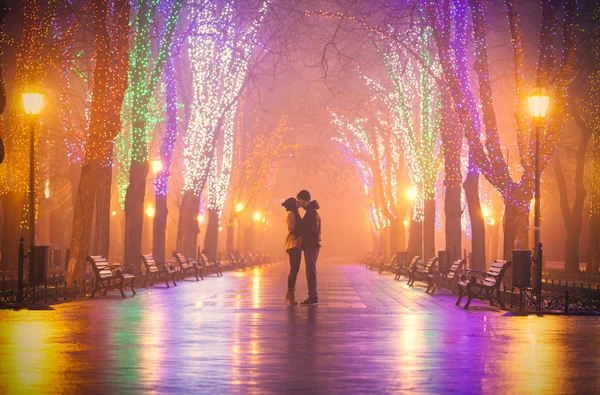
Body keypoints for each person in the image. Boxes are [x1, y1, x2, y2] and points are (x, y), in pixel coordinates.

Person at [296, 189, 321, 305]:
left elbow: (312, 230)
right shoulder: (311, 211)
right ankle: (312, 295)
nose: (298, 202)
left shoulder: (311, 213)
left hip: (311, 245)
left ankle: (313, 296)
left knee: (310, 271)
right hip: (311, 244)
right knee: (310, 270)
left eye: (299, 199)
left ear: (304, 200)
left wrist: (300, 231)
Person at [282, 197, 302, 306]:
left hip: (296, 244)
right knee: (294, 269)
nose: (298, 203)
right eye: (296, 202)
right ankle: (290, 293)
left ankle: (290, 293)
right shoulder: (291, 214)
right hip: (293, 244)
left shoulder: (295, 213)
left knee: (295, 269)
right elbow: (291, 228)